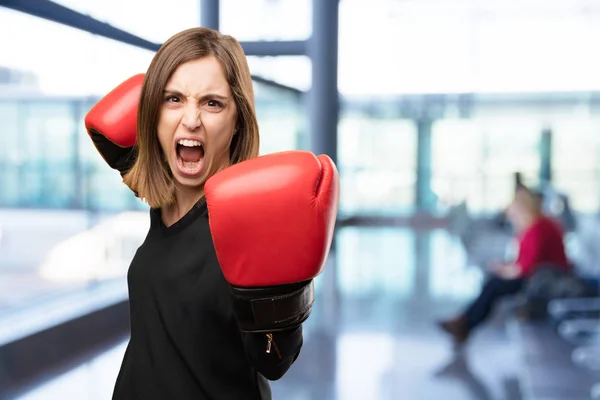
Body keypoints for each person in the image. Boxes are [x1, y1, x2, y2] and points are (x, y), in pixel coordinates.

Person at [84, 27, 339, 399]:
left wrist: (283, 295)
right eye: (173, 99)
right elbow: (132, 160)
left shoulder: (246, 224)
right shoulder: (165, 200)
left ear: (237, 121)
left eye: (212, 103)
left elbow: (274, 363)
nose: (190, 119)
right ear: (152, 113)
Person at [438, 186, 569, 345]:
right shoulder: (533, 226)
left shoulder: (539, 228)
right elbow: (525, 260)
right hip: (539, 276)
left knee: (494, 285)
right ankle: (464, 321)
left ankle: (464, 323)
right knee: (493, 282)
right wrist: (505, 267)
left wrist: (505, 270)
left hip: (546, 280)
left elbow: (527, 268)